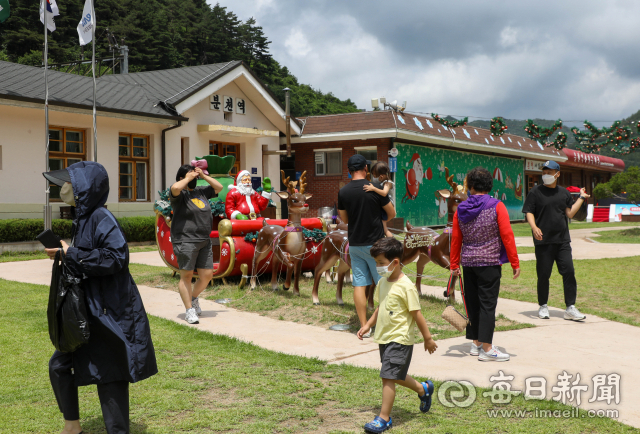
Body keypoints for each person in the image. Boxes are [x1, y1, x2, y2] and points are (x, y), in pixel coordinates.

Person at [42, 161, 157, 434]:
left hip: (109, 310)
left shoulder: (101, 218)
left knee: (111, 374)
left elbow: (117, 258)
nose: (64, 188)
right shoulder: (83, 219)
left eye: (70, 183)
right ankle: (72, 426)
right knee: (60, 364)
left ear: (85, 188)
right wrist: (62, 254)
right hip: (88, 310)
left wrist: (71, 254)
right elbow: (86, 261)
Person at [357, 237, 437, 433]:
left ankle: (384, 418)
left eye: (381, 263)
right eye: (376, 263)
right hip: (384, 336)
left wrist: (427, 338)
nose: (378, 267)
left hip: (400, 338)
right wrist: (368, 324)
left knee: (388, 377)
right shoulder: (383, 282)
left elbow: (416, 313)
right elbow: (380, 307)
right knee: (394, 374)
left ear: (395, 262)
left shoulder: (406, 286)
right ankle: (423, 389)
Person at [450, 167, 520, 362]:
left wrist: (454, 263)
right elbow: (507, 236)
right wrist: (515, 262)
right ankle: (488, 349)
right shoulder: (497, 206)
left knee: (473, 304)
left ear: (470, 186)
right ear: (489, 185)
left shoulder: (460, 209)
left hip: (469, 262)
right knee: (487, 305)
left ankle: (476, 343)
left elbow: (456, 240)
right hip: (489, 263)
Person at [521, 160, 589, 321]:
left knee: (569, 272)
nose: (546, 175)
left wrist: (581, 198)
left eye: (549, 172)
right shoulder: (535, 192)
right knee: (544, 274)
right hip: (543, 240)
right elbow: (529, 211)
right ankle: (543, 306)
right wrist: (534, 227)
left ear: (557, 174)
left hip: (562, 240)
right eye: (544, 172)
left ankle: (570, 308)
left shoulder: (563, 193)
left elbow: (570, 213)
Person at [338, 154, 396, 329]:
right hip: (376, 245)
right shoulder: (376, 187)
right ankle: (383, 323)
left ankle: (364, 325)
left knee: (359, 283)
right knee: (383, 283)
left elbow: (345, 219)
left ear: (349, 172)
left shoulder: (343, 192)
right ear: (365, 169)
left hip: (355, 244)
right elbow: (391, 213)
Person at [170, 164, 223, 324]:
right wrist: (188, 178)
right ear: (182, 177)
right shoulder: (180, 194)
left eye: (195, 174)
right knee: (186, 276)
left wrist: (204, 176)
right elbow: (174, 188)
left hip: (204, 241)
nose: (194, 177)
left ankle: (193, 299)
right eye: (190, 174)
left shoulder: (201, 192)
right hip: (185, 240)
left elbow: (218, 187)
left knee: (207, 275)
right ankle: (189, 311)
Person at [364, 162, 395, 237]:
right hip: (383, 206)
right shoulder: (383, 182)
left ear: (381, 176)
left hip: (386, 206)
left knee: (385, 229)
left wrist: (373, 188)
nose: (373, 177)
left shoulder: (388, 183)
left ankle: (392, 242)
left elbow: (384, 193)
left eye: (374, 175)